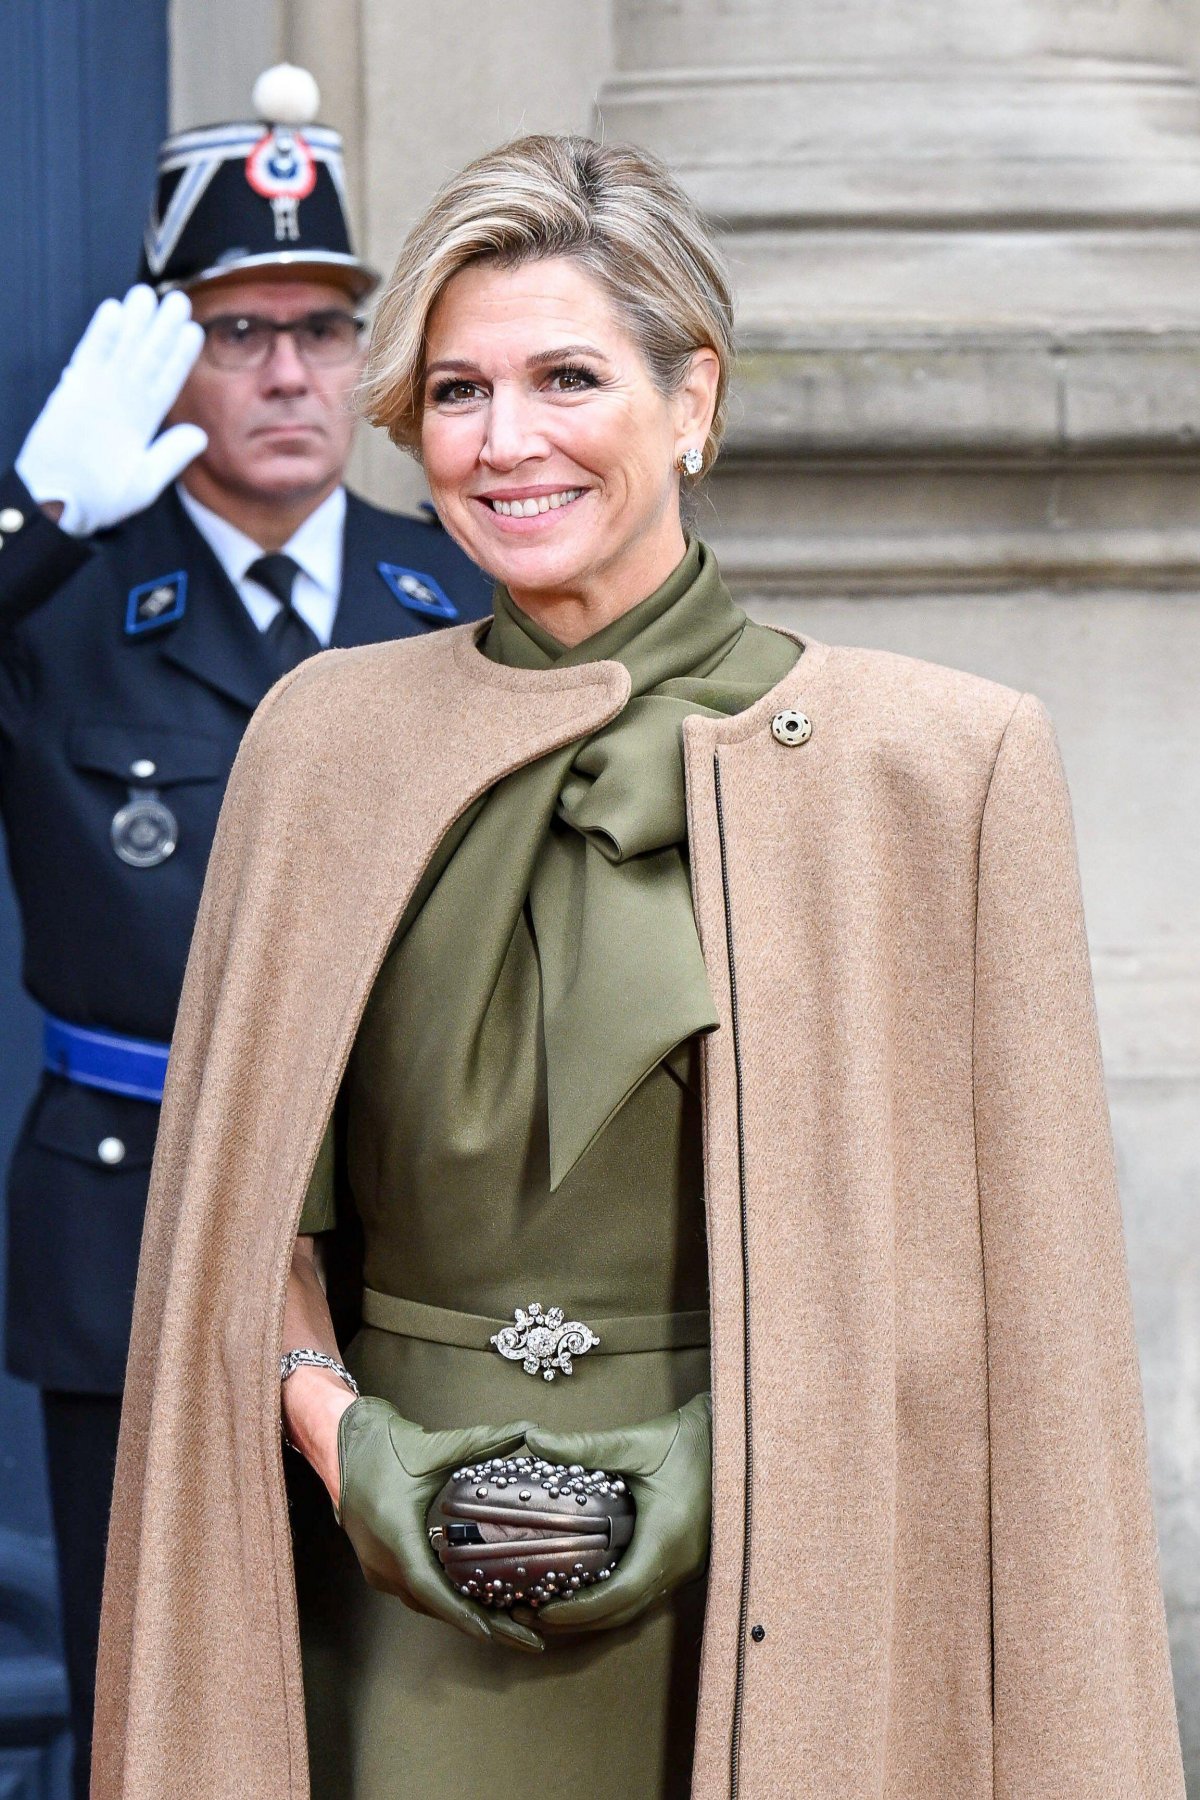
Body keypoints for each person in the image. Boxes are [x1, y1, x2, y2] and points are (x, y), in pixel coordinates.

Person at [95, 134, 1184, 1800]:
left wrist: (718, 1473)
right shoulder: (325, 744)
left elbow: (1016, 1315)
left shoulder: (942, 769)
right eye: (456, 391)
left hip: (807, 1581)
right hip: (385, 1594)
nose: (505, 440)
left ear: (695, 400)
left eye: (566, 377)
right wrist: (359, 1450)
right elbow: (235, 1225)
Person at [0, 65, 490, 1800]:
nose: (289, 371)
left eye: (324, 328)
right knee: (142, 1683)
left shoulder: (459, 602)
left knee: (396, 1673)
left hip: (405, 1216)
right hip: (126, 1203)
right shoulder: (57, 612)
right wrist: (31, 526)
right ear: (170, 355)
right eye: (239, 329)